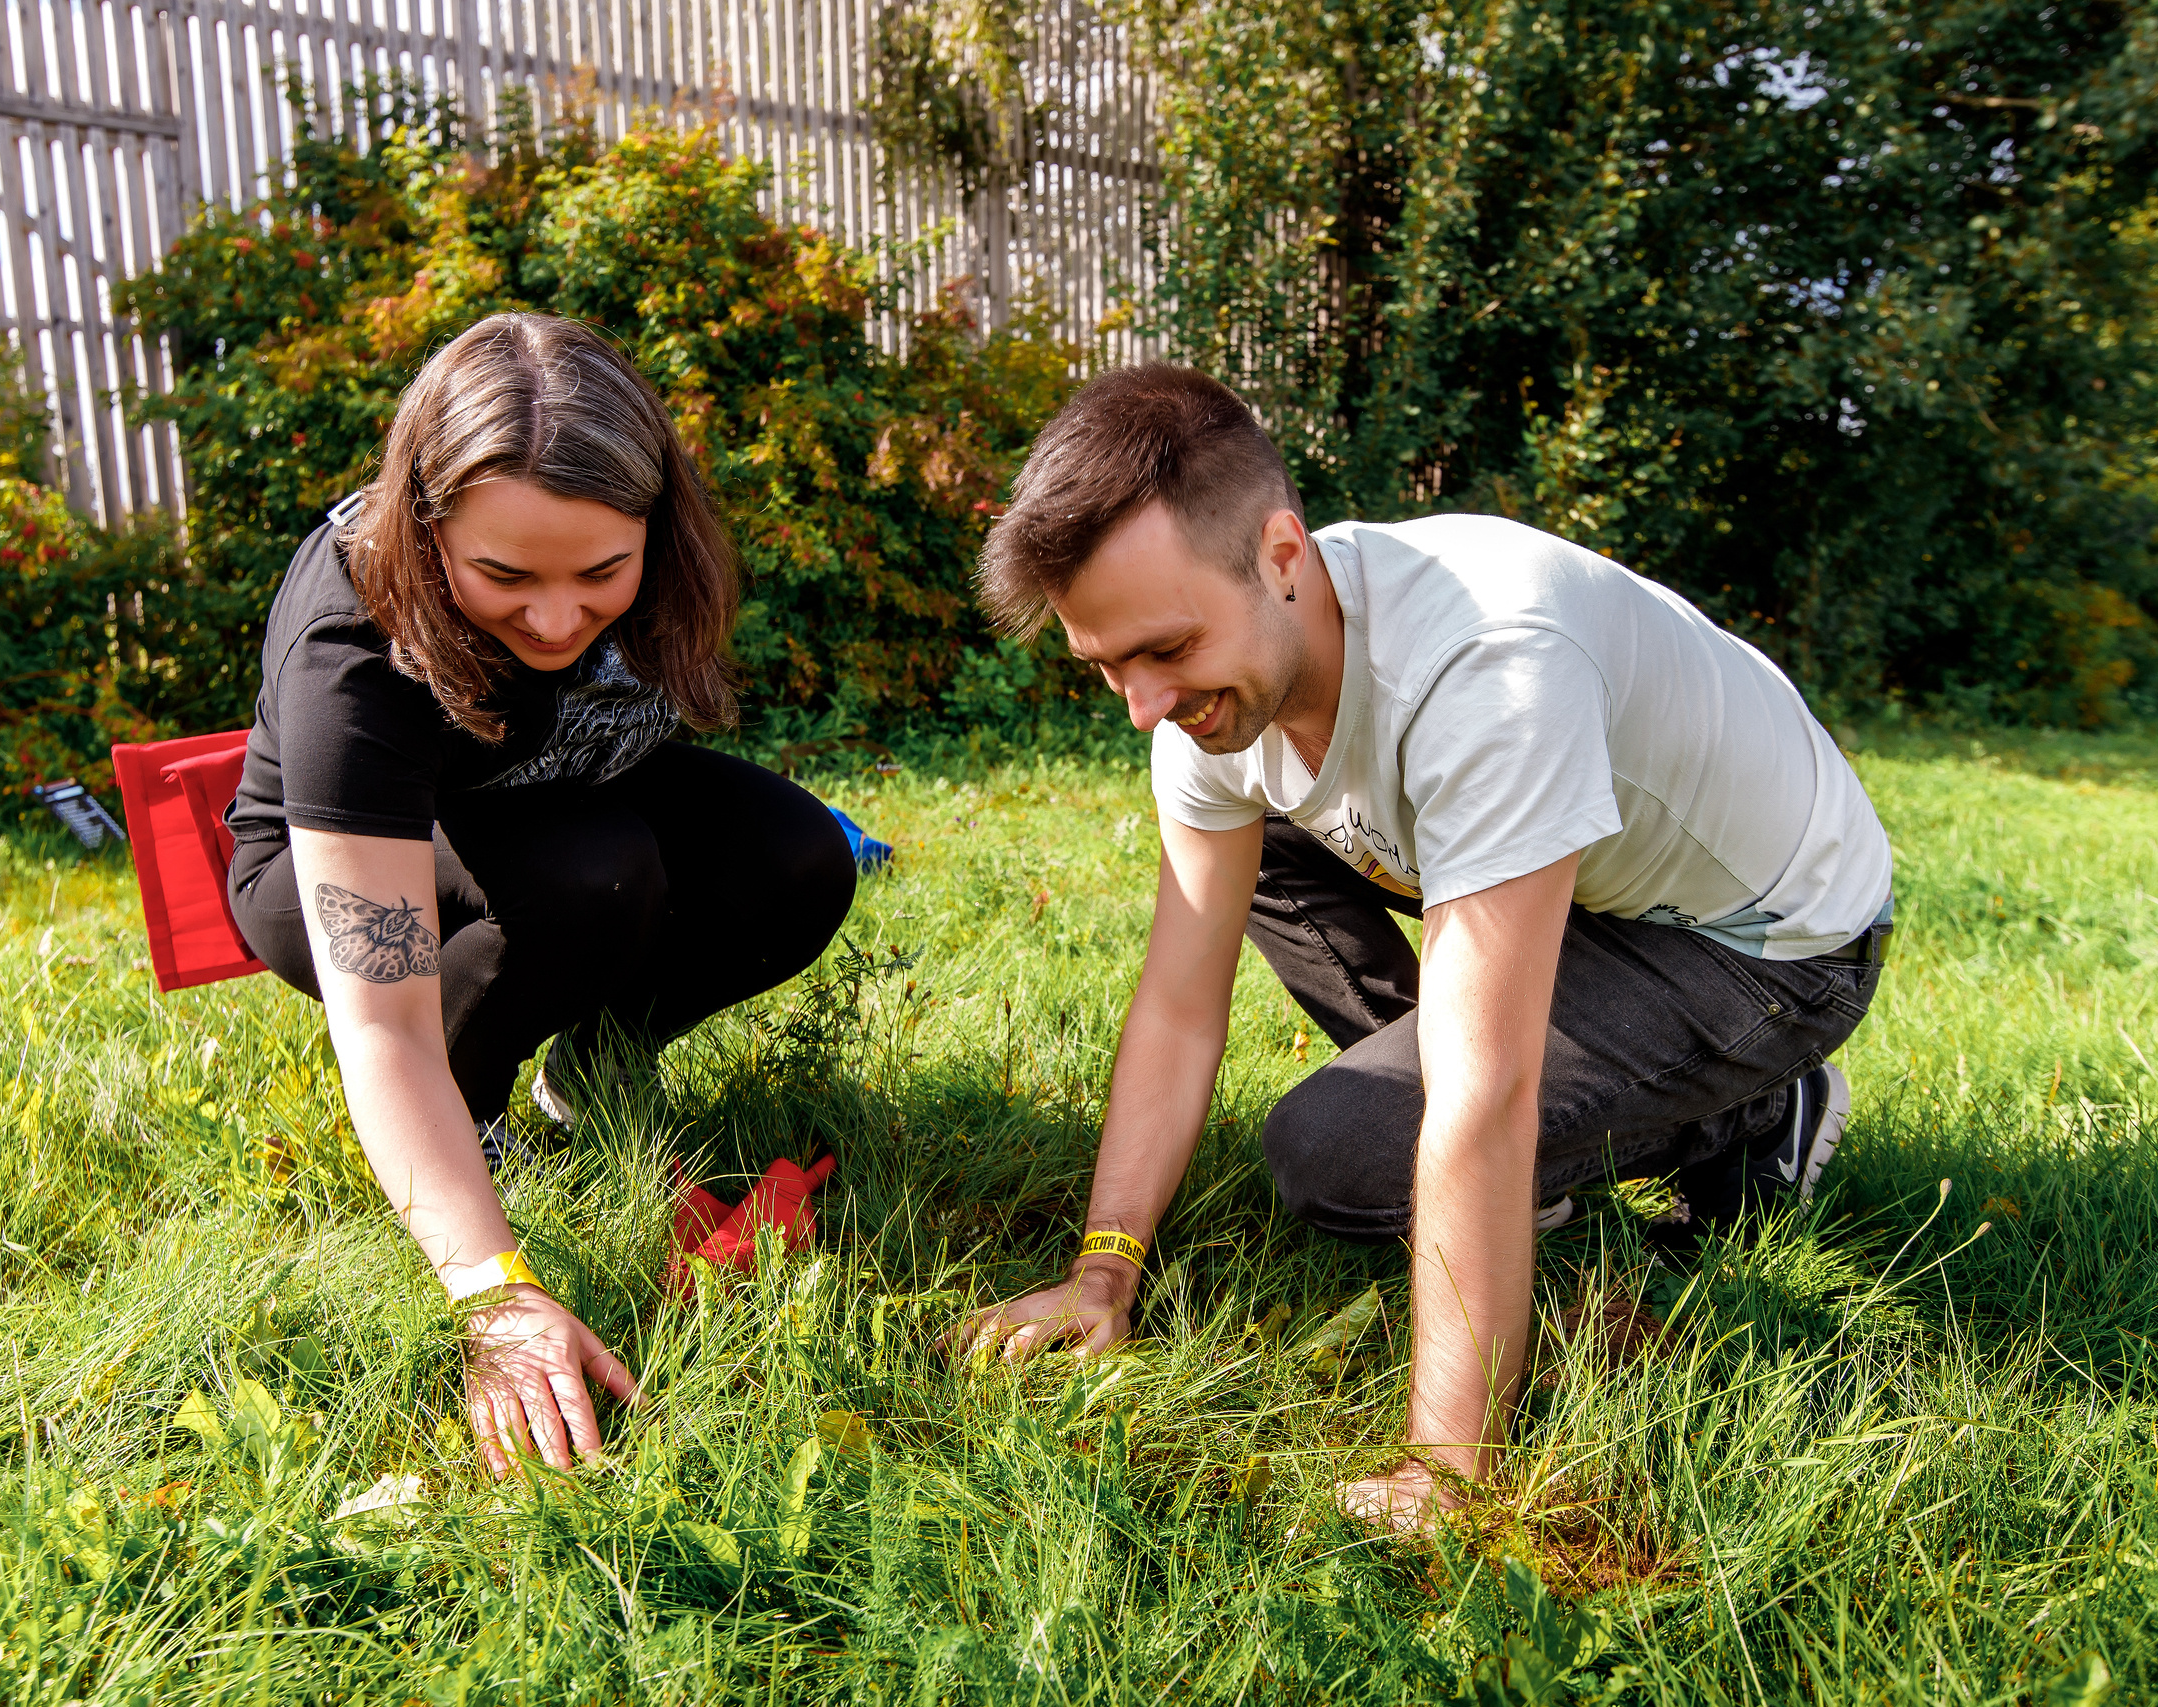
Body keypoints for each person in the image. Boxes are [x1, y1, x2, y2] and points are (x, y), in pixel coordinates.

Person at [954, 364, 1892, 1530]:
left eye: (1165, 650)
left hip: (1770, 948)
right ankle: (1531, 1167)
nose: (1142, 707)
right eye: (1105, 666)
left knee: (1345, 1151)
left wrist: (1447, 1471)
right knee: (1271, 838)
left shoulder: (1490, 666)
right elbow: (1178, 1005)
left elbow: (1482, 1090)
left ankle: (1756, 1113)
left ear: (1281, 556)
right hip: (1590, 883)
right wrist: (1103, 1271)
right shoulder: (1218, 692)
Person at [225, 313, 857, 1478]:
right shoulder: (353, 640)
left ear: (655, 526)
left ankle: (592, 1069)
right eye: (504, 577)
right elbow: (382, 1023)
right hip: (331, 867)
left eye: (600, 574)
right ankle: (468, 1130)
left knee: (798, 859)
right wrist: (495, 1292)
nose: (558, 619)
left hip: (556, 807)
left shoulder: (671, 564)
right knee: (590, 876)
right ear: (428, 530)